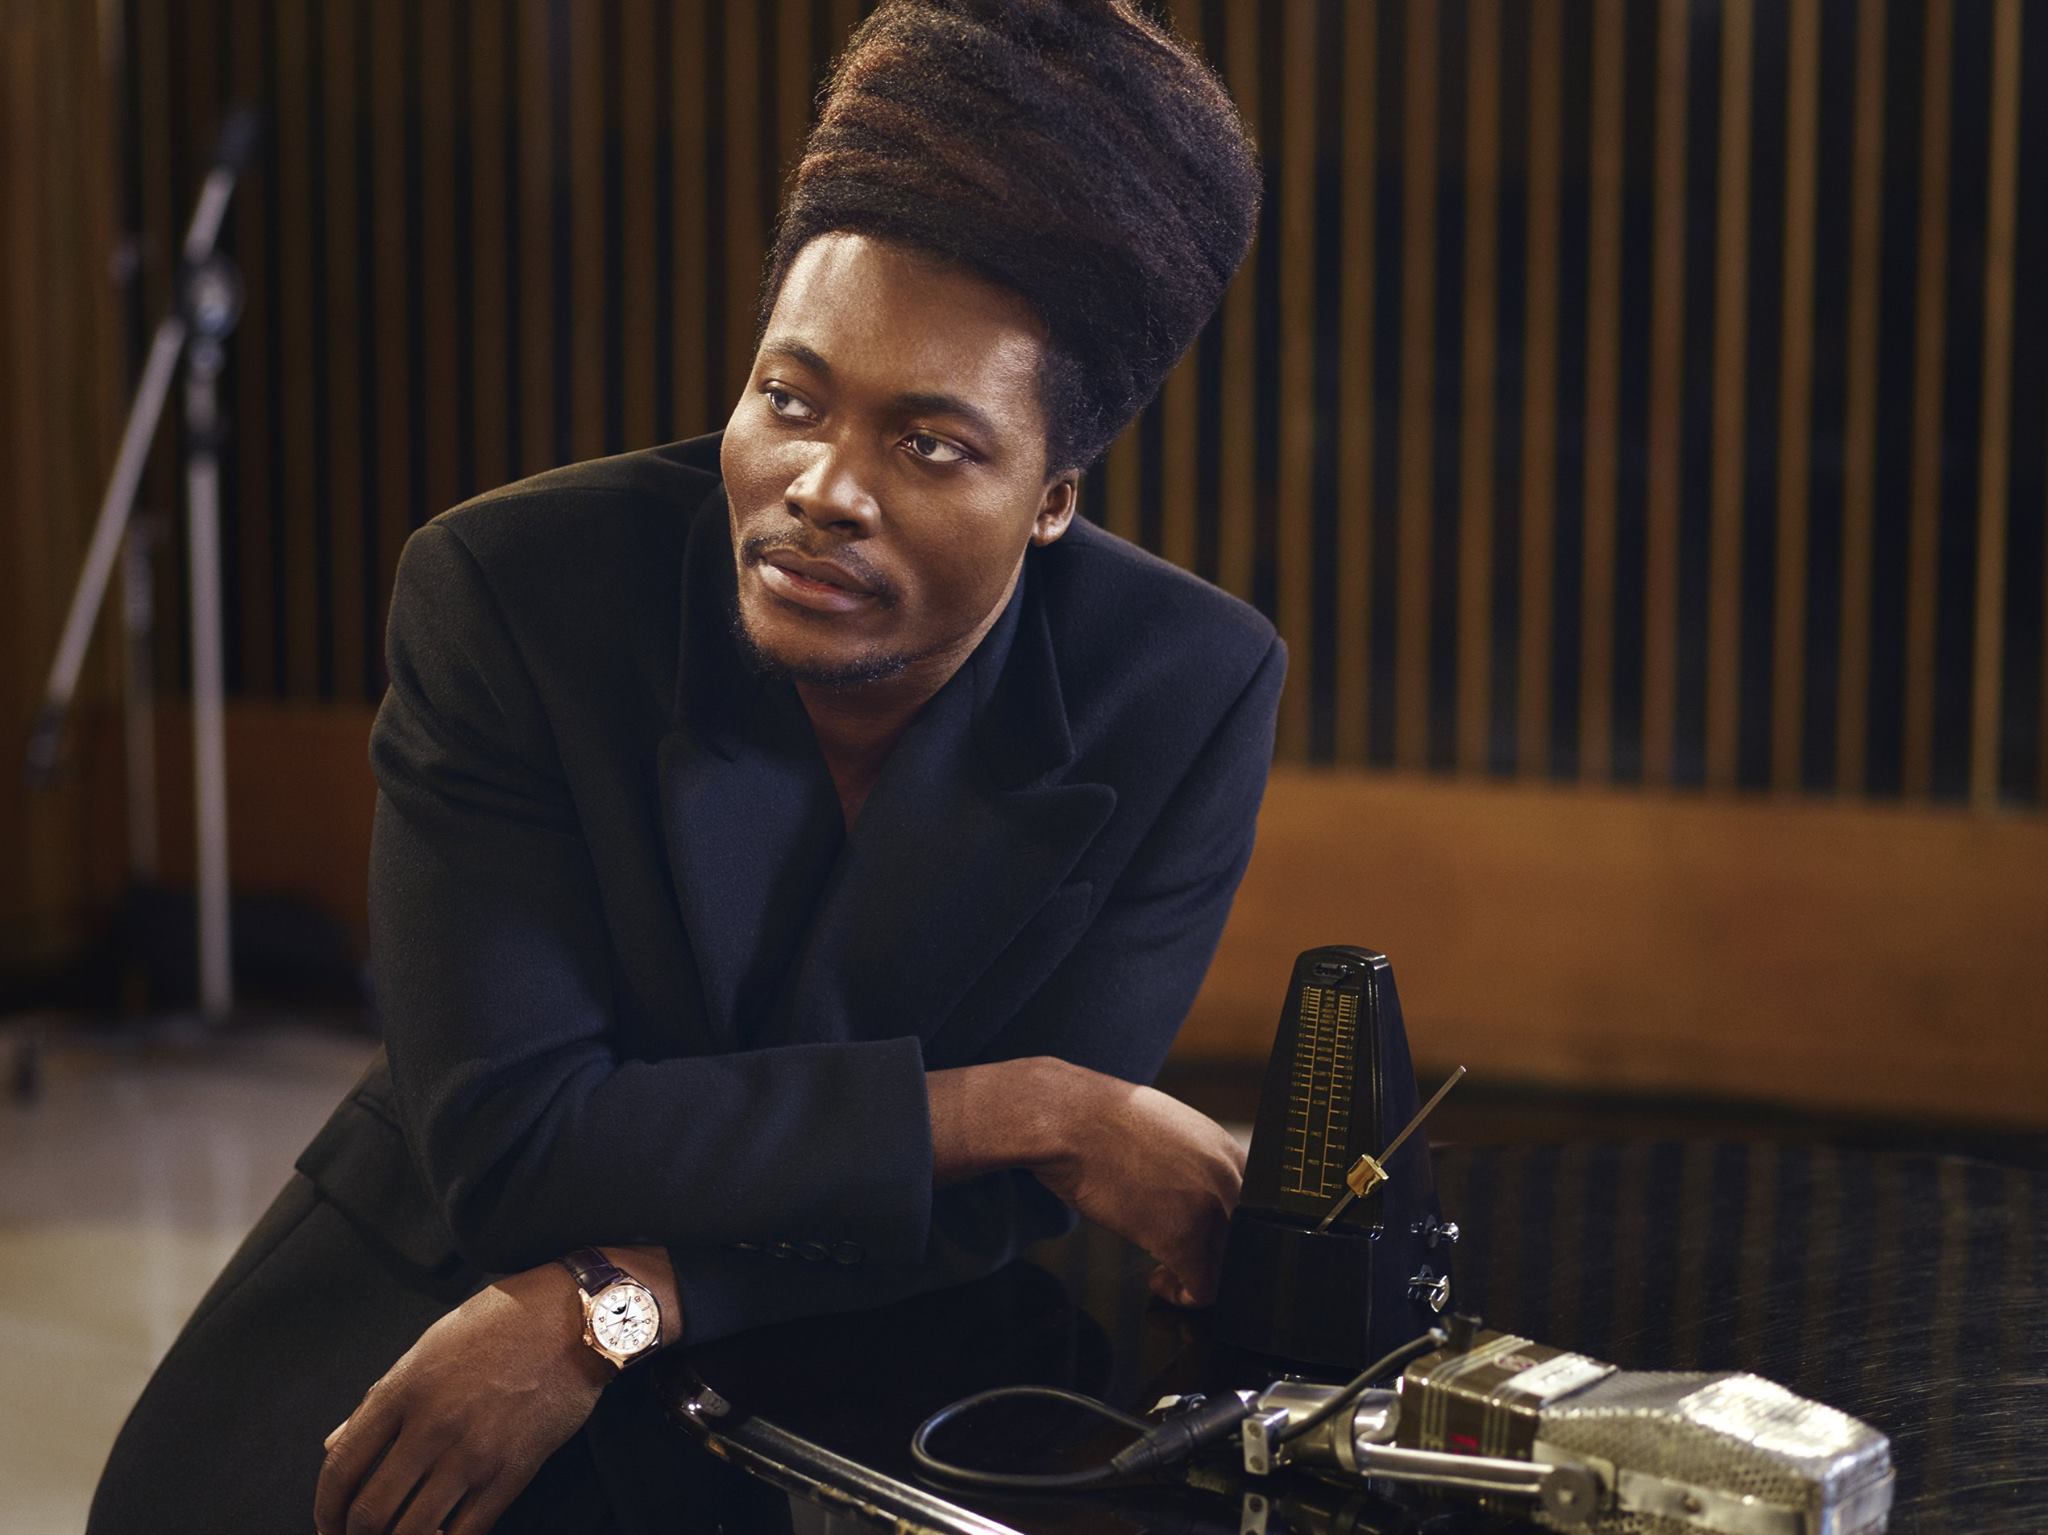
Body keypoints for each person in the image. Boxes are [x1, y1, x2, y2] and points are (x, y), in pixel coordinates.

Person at [89, 2, 1274, 1531]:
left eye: (928, 443)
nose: (821, 488)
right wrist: (1030, 1105)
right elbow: (521, 1152)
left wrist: (622, 1303)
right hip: (417, 1329)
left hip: (826, 1363)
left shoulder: (1184, 690)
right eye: (789, 397)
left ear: (1052, 496)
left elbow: (996, 1218)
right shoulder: (515, 593)